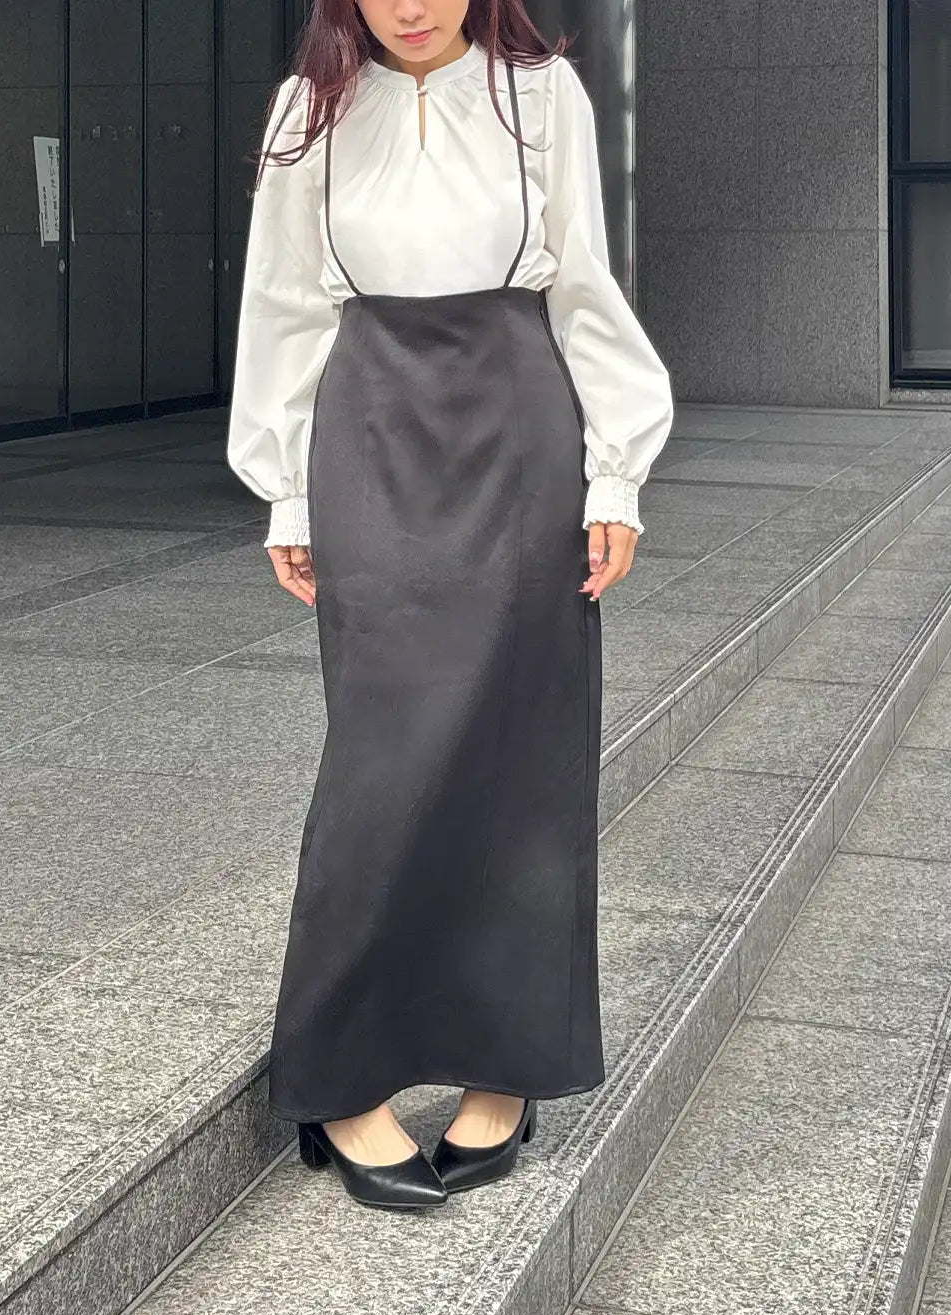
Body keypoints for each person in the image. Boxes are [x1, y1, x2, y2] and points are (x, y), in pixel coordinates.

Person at [226, 0, 674, 1212]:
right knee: (379, 759)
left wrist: (615, 473)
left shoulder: (542, 95)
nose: (411, 5)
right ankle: (338, 1078)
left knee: (523, 753)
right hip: (369, 427)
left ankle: (504, 1066)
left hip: (522, 424)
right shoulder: (306, 108)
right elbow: (284, 303)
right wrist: (285, 491)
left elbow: (583, 284)